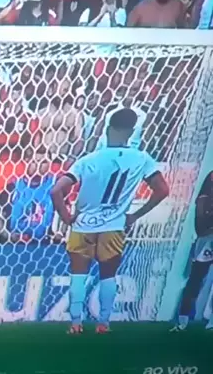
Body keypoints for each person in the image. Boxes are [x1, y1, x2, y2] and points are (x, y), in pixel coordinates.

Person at [51, 108, 170, 334]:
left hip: (84, 225)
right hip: (114, 227)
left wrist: (66, 217)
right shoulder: (142, 159)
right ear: (132, 132)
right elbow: (162, 190)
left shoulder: (88, 160)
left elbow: (56, 191)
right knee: (108, 276)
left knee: (78, 275)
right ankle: (104, 323)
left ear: (107, 130)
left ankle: (75, 323)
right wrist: (135, 215)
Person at [171, 171, 213, 331]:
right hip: (206, 239)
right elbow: (200, 224)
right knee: (196, 279)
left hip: (206, 237)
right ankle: (183, 319)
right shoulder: (206, 194)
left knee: (196, 279)